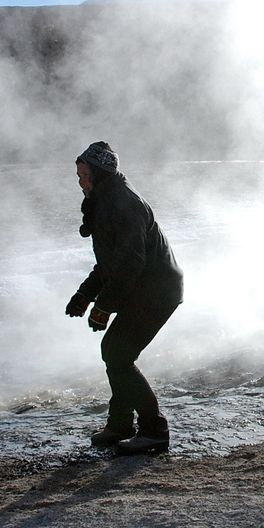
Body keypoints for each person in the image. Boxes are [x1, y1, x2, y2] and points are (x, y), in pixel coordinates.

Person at [65, 141, 184, 454]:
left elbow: (131, 262)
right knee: (114, 351)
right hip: (143, 287)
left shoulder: (123, 203)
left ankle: (154, 431)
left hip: (157, 289)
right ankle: (120, 425)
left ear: (100, 173)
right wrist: (85, 294)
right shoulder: (105, 200)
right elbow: (110, 263)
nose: (81, 182)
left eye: (84, 175)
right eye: (78, 176)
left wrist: (103, 305)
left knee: (117, 354)